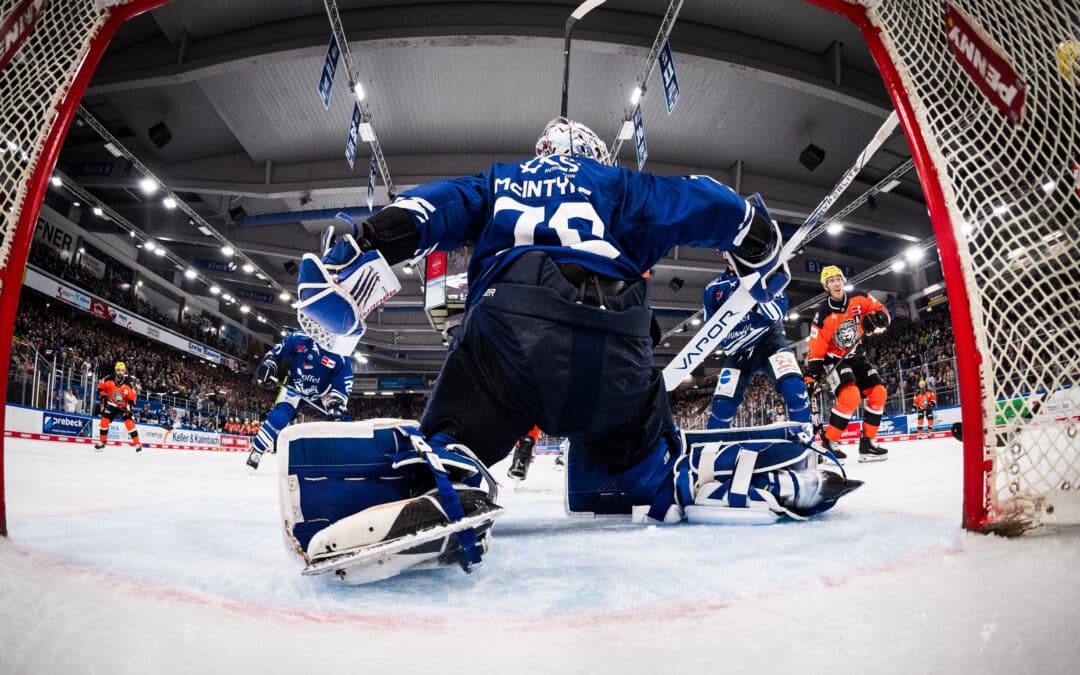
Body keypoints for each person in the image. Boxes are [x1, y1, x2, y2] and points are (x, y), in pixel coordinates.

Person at [287, 118, 861, 579]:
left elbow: (425, 210)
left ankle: (454, 467)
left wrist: (363, 245)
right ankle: (681, 476)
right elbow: (698, 200)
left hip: (511, 338)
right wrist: (756, 239)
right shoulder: (616, 185)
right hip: (618, 351)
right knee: (638, 453)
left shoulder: (498, 181)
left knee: (457, 424)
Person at [701, 266, 813, 443]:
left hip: (770, 342)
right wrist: (726, 341)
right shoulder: (713, 288)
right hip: (739, 351)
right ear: (724, 253)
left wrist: (756, 293)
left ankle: (806, 445)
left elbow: (777, 313)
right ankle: (712, 452)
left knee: (795, 390)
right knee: (722, 407)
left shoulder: (768, 276)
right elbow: (710, 330)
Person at [804, 265, 891, 462]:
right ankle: (829, 441)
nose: (836, 283)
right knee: (850, 397)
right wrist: (811, 376)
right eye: (831, 281)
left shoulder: (859, 298)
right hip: (834, 359)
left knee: (879, 393)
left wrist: (878, 318)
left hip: (856, 355)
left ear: (843, 281)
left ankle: (868, 444)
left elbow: (884, 312)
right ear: (826, 287)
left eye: (838, 279)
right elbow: (816, 348)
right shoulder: (822, 314)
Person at [245, 328, 354, 470]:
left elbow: (345, 380)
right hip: (296, 384)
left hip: (324, 392)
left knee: (340, 421)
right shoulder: (300, 337)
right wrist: (269, 364)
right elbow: (277, 352)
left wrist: (337, 402)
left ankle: (350, 457)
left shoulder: (340, 352)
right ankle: (257, 451)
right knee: (280, 417)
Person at [94, 362, 141, 453]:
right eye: (118, 370)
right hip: (113, 405)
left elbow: (132, 397)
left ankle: (137, 443)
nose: (120, 372)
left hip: (124, 406)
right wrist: (103, 395)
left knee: (129, 423)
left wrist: (129, 407)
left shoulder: (128, 383)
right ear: (115, 370)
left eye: (122, 370)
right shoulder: (109, 378)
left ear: (124, 371)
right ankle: (102, 442)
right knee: (104, 421)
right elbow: (100, 387)